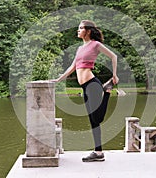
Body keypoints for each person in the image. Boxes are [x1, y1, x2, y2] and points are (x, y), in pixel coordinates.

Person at [51, 20, 119, 162]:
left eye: (81, 28)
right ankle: (99, 153)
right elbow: (72, 67)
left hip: (92, 84)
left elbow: (114, 56)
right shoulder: (80, 49)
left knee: (97, 118)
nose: (78, 30)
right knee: (93, 121)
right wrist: (58, 80)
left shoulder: (95, 45)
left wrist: (114, 74)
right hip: (84, 87)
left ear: (88, 31)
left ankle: (107, 92)